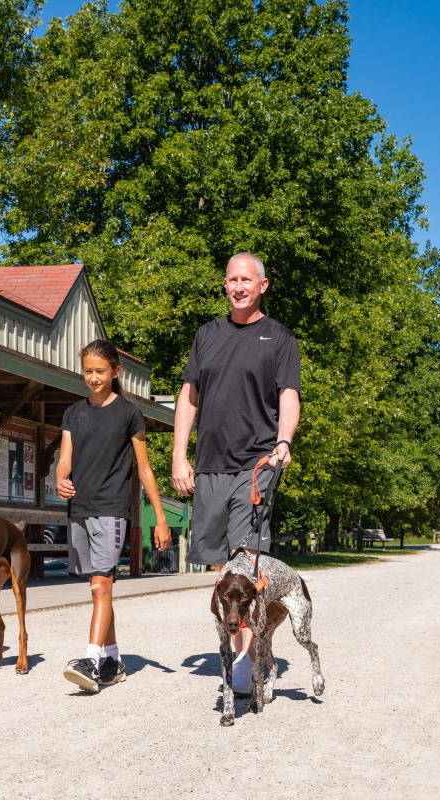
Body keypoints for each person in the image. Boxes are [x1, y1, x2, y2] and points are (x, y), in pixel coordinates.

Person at [172, 252, 301, 695]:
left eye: (248, 280)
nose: (239, 286)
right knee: (219, 565)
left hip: (256, 466)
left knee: (245, 562)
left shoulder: (279, 338)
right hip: (210, 466)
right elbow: (188, 397)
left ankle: (246, 662)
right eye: (232, 279)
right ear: (225, 285)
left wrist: (283, 441)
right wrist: (178, 455)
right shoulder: (206, 335)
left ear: (262, 286)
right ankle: (255, 635)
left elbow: (289, 395)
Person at [57, 339, 172, 693]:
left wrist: (161, 516)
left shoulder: (128, 413)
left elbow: (145, 469)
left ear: (115, 372)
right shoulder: (73, 413)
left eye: (100, 372)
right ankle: (114, 659)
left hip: (111, 509)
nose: (93, 378)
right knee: (99, 587)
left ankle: (91, 659)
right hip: (79, 508)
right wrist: (60, 479)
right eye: (88, 371)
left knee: (99, 585)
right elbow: (65, 458)